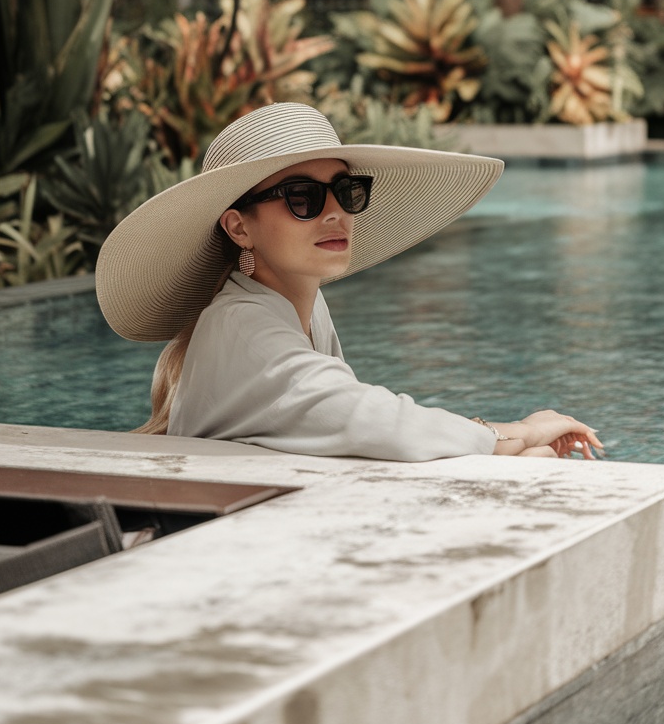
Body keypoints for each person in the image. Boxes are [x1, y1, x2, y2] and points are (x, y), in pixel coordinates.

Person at [96, 103, 602, 462]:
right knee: (531, 458)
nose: (335, 212)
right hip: (225, 555)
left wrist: (511, 441)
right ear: (239, 227)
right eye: (302, 197)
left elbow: (350, 422)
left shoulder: (298, 307)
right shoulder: (243, 328)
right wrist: (518, 432)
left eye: (345, 190)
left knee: (528, 458)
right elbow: (377, 421)